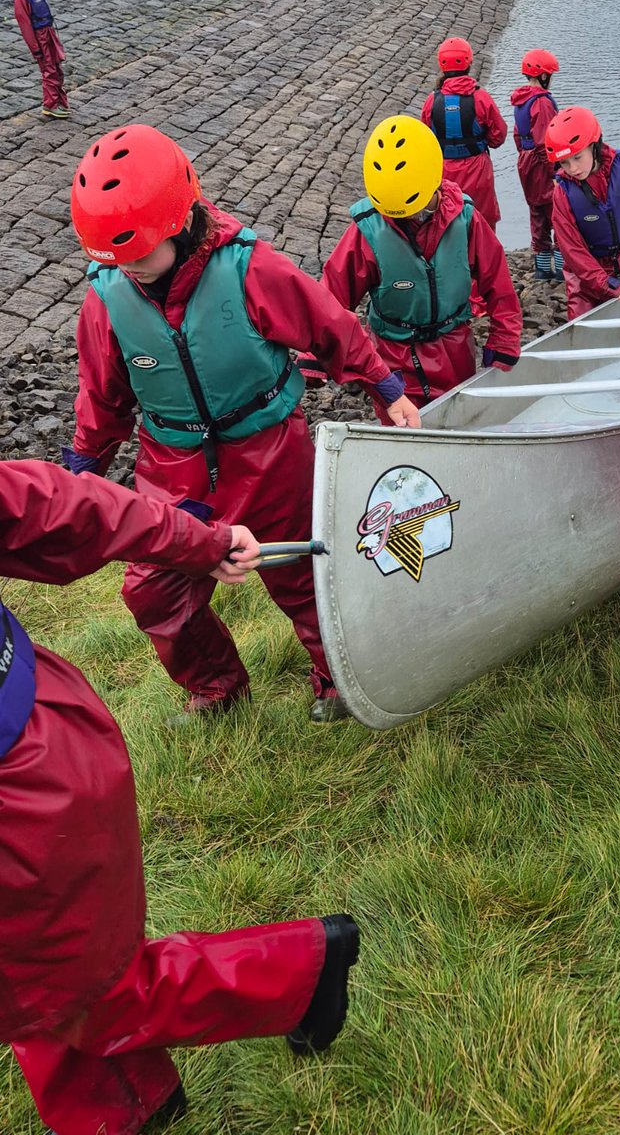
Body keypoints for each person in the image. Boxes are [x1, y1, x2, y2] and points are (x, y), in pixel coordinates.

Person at [1, 458, 360, 1135]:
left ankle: (295, 976)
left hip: (23, 780)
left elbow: (57, 504)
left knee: (71, 989)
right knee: (38, 985)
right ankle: (126, 1109)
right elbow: (61, 497)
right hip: (44, 729)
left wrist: (205, 542)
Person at [66, 124, 420, 724]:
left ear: (179, 220)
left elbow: (329, 325)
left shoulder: (248, 267)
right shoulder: (107, 302)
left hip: (270, 452)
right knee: (152, 588)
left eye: (138, 252)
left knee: (305, 573)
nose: (129, 268)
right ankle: (218, 691)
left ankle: (338, 679)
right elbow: (102, 400)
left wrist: (385, 387)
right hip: (172, 468)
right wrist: (81, 474)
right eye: (115, 258)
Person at [322, 114, 522, 413]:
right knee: (403, 434)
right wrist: (315, 356)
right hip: (393, 357)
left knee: (460, 421)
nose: (406, 220)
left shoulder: (465, 220)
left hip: (454, 345)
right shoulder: (368, 231)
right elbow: (331, 296)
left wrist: (504, 337)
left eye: (411, 211)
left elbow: (498, 282)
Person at [545, 105, 620, 320]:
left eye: (578, 157)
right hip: (586, 279)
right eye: (564, 162)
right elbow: (573, 251)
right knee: (583, 331)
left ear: (594, 145)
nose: (572, 168)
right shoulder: (562, 194)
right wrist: (609, 284)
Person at [421, 36, 507, 231]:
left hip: (443, 172)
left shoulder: (431, 101)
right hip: (477, 170)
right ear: (469, 62)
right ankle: (483, 260)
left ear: (441, 64)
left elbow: (425, 140)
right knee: (482, 224)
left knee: (447, 223)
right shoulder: (481, 98)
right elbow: (498, 136)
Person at [510, 48, 564, 282]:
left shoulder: (520, 101)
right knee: (558, 213)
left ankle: (542, 268)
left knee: (537, 213)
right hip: (542, 164)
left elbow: (518, 136)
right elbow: (545, 141)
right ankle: (563, 268)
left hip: (526, 161)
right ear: (543, 76)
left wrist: (526, 158)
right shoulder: (542, 103)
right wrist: (556, 170)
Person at [13, 0, 68, 119]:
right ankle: (50, 104)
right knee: (49, 70)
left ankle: (59, 102)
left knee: (57, 69)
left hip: (49, 35)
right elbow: (26, 27)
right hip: (40, 39)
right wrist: (35, 49)